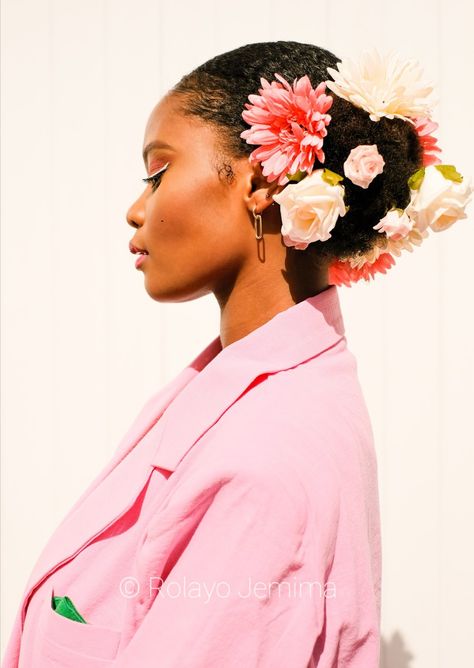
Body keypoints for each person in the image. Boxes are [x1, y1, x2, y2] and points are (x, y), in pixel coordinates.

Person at [2, 41, 471, 668]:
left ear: (259, 182)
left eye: (158, 171)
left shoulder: (266, 459)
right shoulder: (248, 391)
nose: (136, 209)